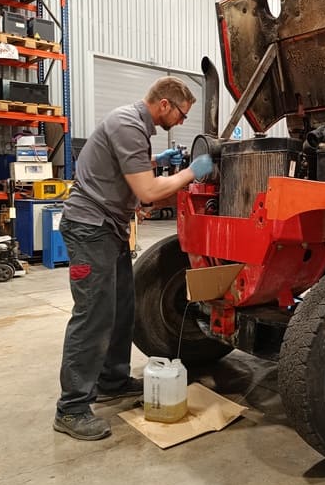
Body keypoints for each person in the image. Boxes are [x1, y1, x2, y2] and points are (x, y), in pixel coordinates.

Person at [53, 76, 213, 441]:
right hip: (89, 230)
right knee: (93, 314)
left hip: (108, 230)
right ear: (164, 105)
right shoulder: (128, 124)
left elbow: (126, 169)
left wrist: (158, 160)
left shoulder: (135, 128)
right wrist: (191, 173)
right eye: (182, 114)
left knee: (123, 307)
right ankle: (72, 407)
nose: (183, 122)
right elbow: (147, 191)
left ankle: (111, 378)